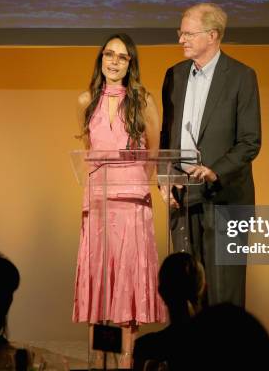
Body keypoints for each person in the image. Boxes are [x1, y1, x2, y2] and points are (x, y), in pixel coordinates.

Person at [73, 33, 166, 367]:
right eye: (108, 54)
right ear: (101, 59)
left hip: (131, 204)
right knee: (98, 287)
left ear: (131, 64)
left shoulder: (144, 102)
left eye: (122, 57)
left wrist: (143, 184)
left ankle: (127, 363)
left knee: (127, 285)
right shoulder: (86, 100)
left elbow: (155, 153)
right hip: (98, 204)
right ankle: (100, 362)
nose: (113, 61)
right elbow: (87, 151)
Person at [160, 3, 261, 306]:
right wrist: (165, 179)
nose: (181, 40)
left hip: (226, 197)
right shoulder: (174, 76)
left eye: (188, 34)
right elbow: (166, 136)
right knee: (187, 292)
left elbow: (250, 141)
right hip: (184, 198)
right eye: (181, 33)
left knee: (224, 293)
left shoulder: (242, 76)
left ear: (213, 35)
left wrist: (214, 170)